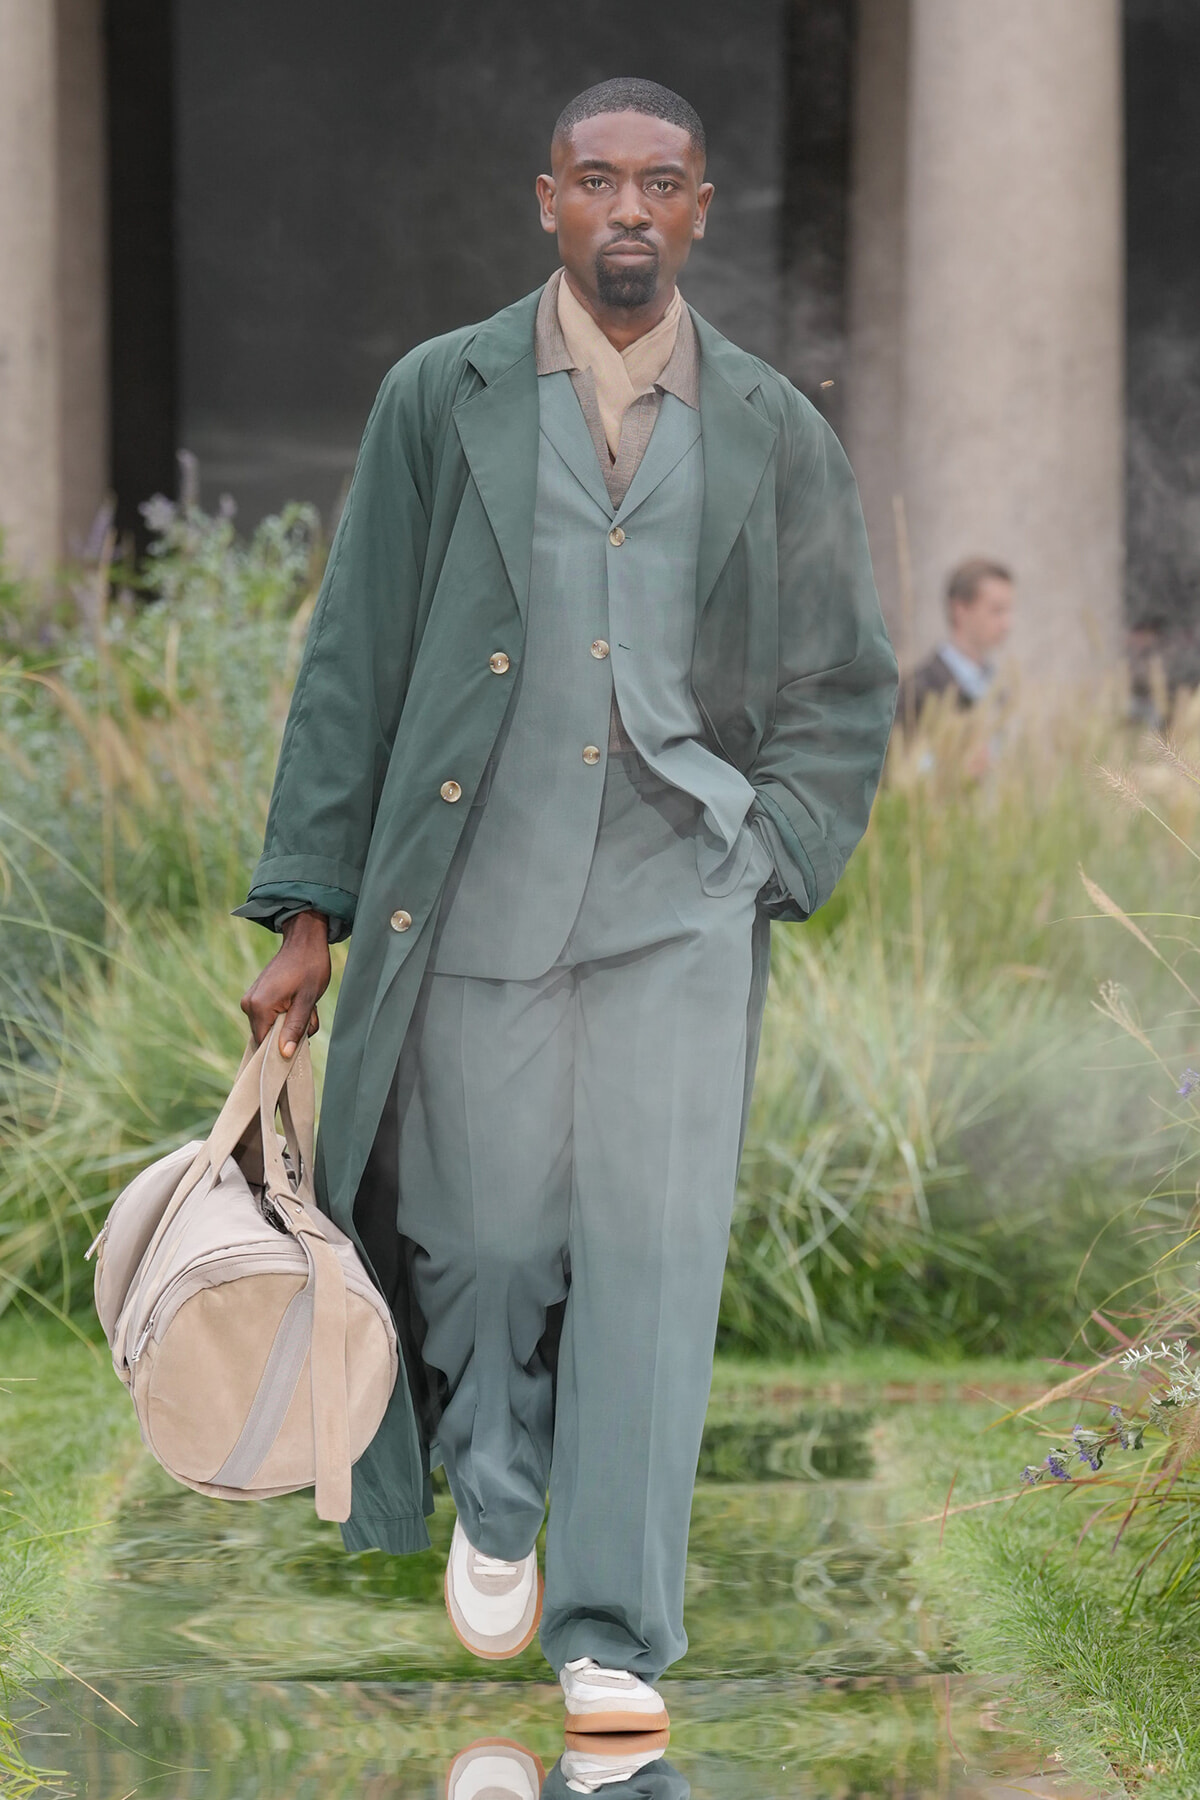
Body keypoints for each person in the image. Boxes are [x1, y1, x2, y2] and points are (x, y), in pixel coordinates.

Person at [235, 76, 897, 1757]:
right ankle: (500, 1491)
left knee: (653, 1268)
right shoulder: (437, 397)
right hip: (479, 890)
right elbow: (356, 656)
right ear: (546, 202)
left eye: (656, 184)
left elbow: (841, 682)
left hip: (681, 903)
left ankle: (612, 1629)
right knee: (482, 1232)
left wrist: (775, 848)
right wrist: (307, 905)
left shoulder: (769, 425)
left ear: (699, 208)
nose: (624, 209)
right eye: (593, 180)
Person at [898, 556, 1014, 729]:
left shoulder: (998, 688)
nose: (1007, 624)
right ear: (960, 610)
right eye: (996, 611)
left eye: (1008, 611)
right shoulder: (917, 691)